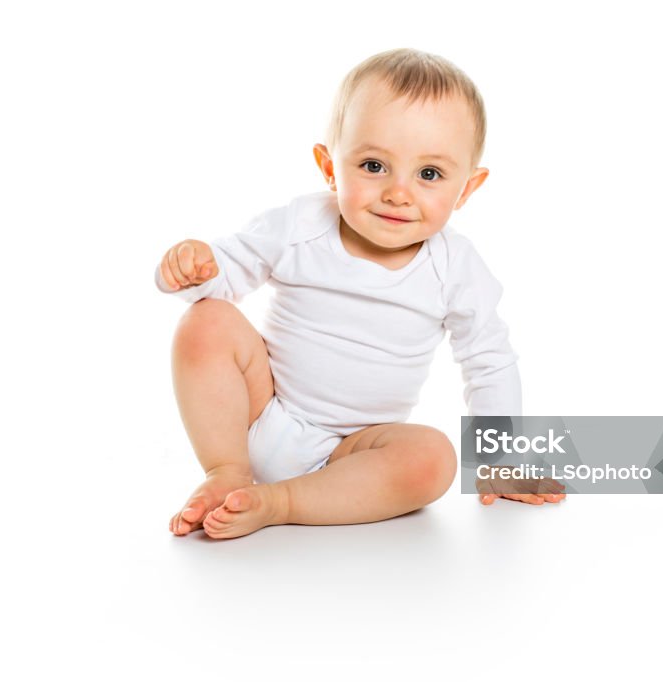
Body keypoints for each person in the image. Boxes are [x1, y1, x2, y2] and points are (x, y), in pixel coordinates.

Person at [155, 48, 564, 540]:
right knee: (207, 319)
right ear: (329, 166)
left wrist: (501, 459)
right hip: (259, 412)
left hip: (355, 451)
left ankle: (280, 502)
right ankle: (226, 471)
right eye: (373, 165)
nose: (398, 192)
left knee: (432, 458)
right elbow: (227, 271)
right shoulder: (300, 225)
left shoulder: (455, 267)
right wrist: (196, 267)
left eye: (429, 174)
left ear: (467, 189)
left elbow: (489, 360)